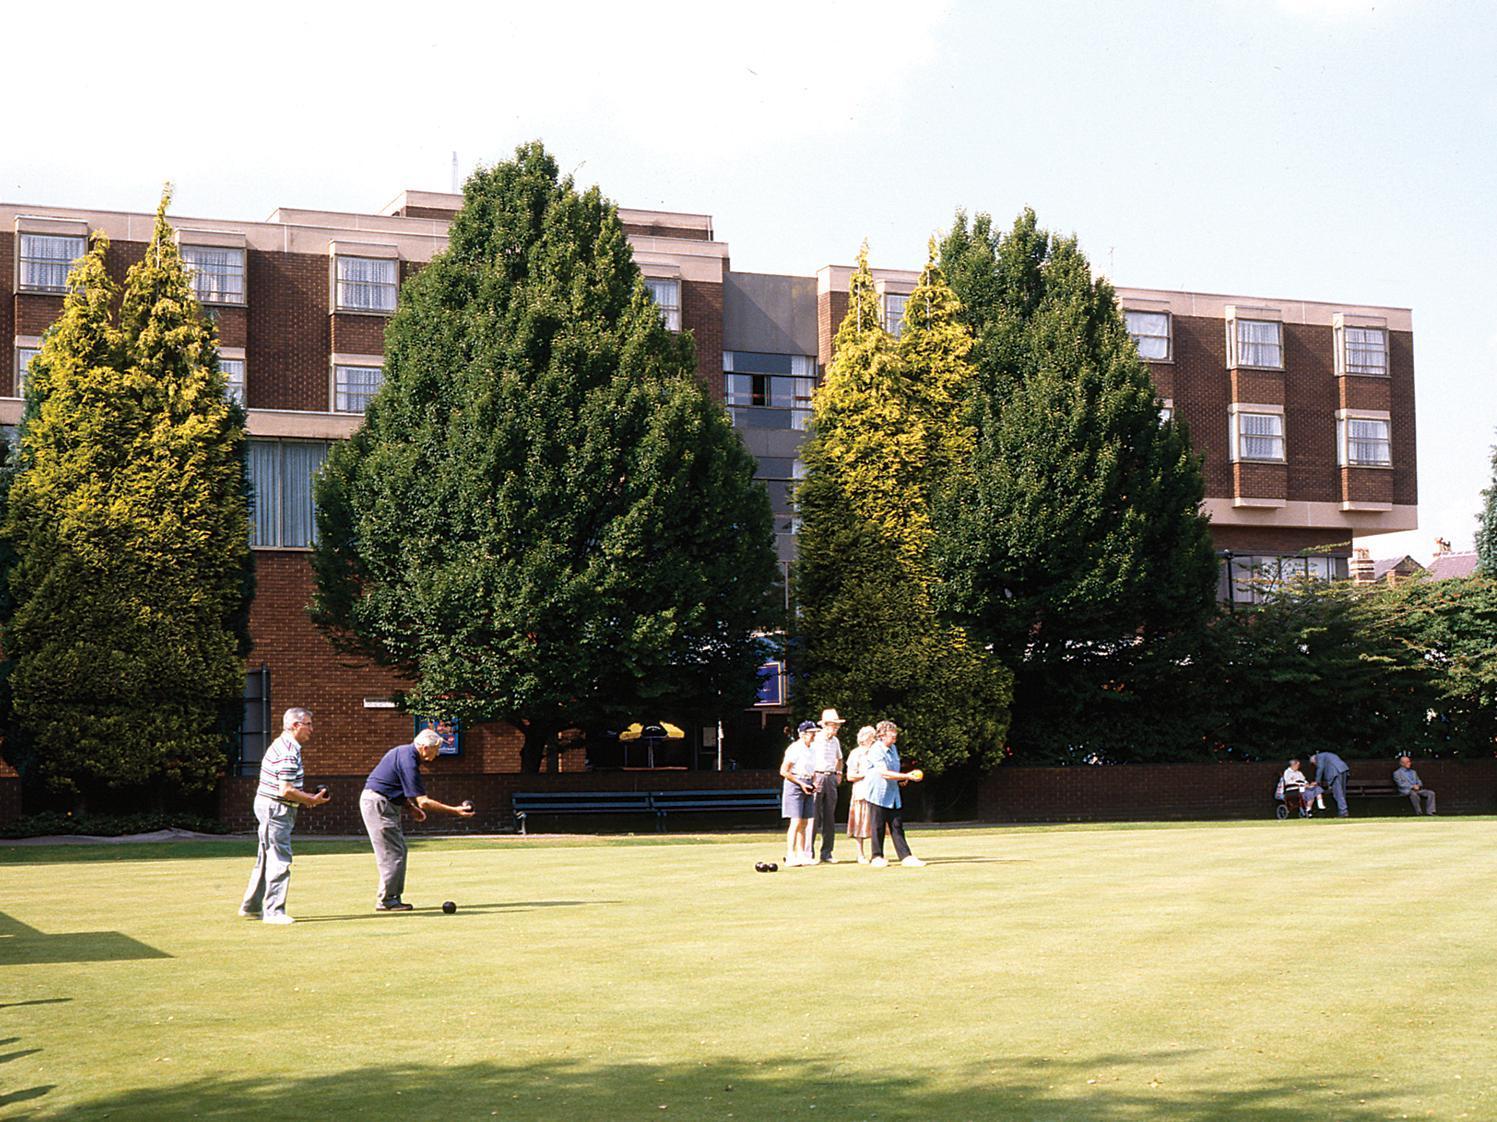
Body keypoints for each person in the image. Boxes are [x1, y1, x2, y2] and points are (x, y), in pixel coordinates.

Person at [359, 729, 476, 911]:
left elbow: (394, 786)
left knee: (397, 850)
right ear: (424, 747)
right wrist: (456, 811)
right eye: (436, 749)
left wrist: (409, 808)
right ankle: (387, 901)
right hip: (379, 804)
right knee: (393, 852)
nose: (437, 754)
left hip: (382, 802)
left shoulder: (404, 752)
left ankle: (391, 898)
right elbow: (425, 802)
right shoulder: (409, 761)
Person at [240, 708, 330, 924]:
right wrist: (311, 800)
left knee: (266, 857)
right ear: (295, 725)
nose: (311, 729)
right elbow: (286, 790)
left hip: (270, 806)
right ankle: (273, 911)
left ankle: (251, 906)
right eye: (308, 724)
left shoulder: (283, 744)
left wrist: (305, 797)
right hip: (277, 808)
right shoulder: (289, 750)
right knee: (279, 859)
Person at [864, 720, 925, 868]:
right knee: (877, 826)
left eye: (895, 735)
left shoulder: (894, 748)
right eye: (892, 735)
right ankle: (877, 857)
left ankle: (906, 856)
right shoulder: (876, 750)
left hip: (892, 793)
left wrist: (900, 780)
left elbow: (894, 770)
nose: (894, 737)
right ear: (882, 735)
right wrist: (907, 776)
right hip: (877, 793)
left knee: (897, 825)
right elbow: (884, 773)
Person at [808, 707, 845, 863]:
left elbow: (840, 759)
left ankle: (827, 853)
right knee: (813, 817)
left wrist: (839, 774)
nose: (836, 728)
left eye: (837, 725)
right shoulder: (815, 739)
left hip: (830, 778)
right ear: (825, 724)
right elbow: (808, 759)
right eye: (833, 724)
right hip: (817, 776)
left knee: (829, 817)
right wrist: (812, 777)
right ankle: (808, 853)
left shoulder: (835, 741)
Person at [780, 721, 818, 866]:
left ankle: (802, 854)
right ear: (802, 734)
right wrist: (801, 784)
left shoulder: (813, 749)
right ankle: (790, 855)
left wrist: (812, 783)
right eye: (811, 733)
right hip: (794, 784)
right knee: (795, 821)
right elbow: (784, 771)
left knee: (805, 821)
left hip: (807, 783)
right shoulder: (794, 749)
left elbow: (812, 770)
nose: (814, 735)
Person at [844, 726, 878, 863]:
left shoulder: (877, 752)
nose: (874, 739)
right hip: (861, 792)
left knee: (875, 824)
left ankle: (876, 854)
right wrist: (865, 775)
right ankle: (860, 854)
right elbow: (850, 776)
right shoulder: (855, 753)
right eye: (871, 737)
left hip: (875, 793)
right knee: (859, 825)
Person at [1309, 751, 1350, 817]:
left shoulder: (1319, 757)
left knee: (1338, 793)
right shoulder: (1327, 755)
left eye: (1314, 764)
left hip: (1335, 772)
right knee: (1342, 793)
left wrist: (1317, 781)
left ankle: (1343, 812)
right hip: (1343, 769)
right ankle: (1343, 811)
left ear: (1314, 760)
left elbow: (1320, 768)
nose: (1316, 765)